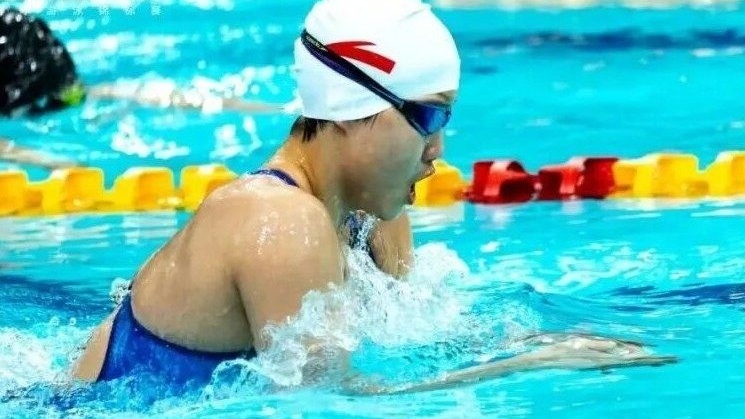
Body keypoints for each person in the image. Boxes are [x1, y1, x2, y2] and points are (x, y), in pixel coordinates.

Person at [69, 0, 675, 397]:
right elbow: (331, 404)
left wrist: (538, 342)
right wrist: (524, 369)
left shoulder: (375, 218)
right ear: (352, 106)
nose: (438, 149)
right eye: (429, 115)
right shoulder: (276, 221)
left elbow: (415, 347)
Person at [0, 7, 282, 168]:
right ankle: (265, 108)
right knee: (99, 95)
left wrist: (61, 166)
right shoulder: (79, 89)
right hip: (62, 95)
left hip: (35, 103)